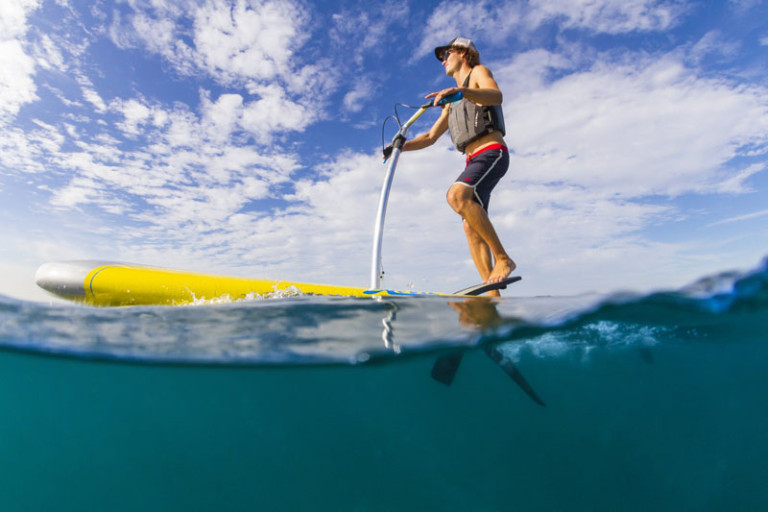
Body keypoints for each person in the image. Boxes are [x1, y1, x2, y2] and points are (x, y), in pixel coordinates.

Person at [396, 37, 515, 296]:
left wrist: (463, 92)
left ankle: (503, 258)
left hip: (491, 152)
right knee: (469, 226)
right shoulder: (450, 100)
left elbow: (496, 96)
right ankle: (492, 292)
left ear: (463, 53)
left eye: (446, 54)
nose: (443, 60)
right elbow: (430, 137)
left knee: (456, 196)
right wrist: (399, 147)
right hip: (472, 159)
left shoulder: (478, 73)